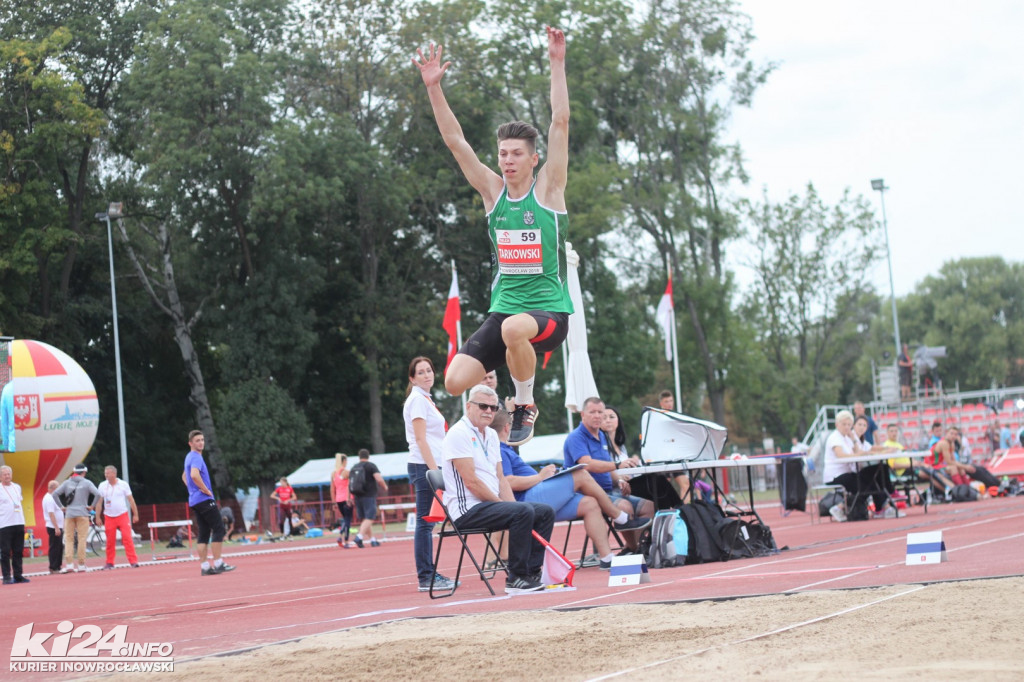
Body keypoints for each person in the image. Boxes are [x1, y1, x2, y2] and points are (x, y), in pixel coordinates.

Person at [414, 26, 574, 447]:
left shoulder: (549, 190)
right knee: (453, 381)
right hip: (505, 313)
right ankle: (512, 370)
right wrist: (434, 88)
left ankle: (525, 402)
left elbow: (560, 121)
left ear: (534, 158)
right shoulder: (492, 193)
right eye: (502, 153)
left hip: (548, 314)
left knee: (514, 332)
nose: (507, 160)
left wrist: (557, 64)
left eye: (516, 153)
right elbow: (455, 141)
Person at [494, 409, 649, 570]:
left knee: (590, 503)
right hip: (525, 499)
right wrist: (540, 477)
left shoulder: (506, 449)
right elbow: (508, 482)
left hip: (537, 494)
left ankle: (607, 558)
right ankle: (620, 517)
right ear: (507, 427)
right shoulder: (500, 449)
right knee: (580, 474)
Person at [441, 385, 555, 593]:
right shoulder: (458, 434)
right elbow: (471, 482)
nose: (488, 411)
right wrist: (504, 505)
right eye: (483, 406)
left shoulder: (492, 436)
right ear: (468, 406)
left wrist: (511, 506)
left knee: (544, 512)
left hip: (488, 504)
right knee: (522, 511)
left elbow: (501, 478)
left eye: (493, 408)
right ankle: (516, 578)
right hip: (466, 509)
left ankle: (531, 572)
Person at [563, 397, 654, 550]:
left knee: (649, 506)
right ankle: (634, 550)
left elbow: (607, 468)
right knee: (625, 506)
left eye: (601, 412)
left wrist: (619, 481)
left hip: (610, 491)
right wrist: (618, 464)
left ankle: (640, 548)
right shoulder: (575, 437)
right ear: (583, 415)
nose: (598, 416)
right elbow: (588, 464)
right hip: (586, 495)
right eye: (593, 412)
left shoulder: (603, 436)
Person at [403, 356, 456, 591]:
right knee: (425, 522)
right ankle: (426, 576)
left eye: (429, 370)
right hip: (424, 466)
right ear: (412, 378)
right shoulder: (417, 401)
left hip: (431, 464)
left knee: (429, 522)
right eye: (421, 372)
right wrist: (434, 470)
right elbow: (420, 439)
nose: (427, 375)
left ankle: (429, 573)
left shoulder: (425, 399)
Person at [182, 430, 235, 576]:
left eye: (202, 440)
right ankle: (218, 563)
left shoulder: (188, 457)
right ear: (190, 443)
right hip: (204, 499)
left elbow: (184, 476)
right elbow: (193, 475)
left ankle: (205, 567)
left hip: (195, 500)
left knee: (204, 533)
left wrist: (192, 491)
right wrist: (204, 490)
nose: (201, 443)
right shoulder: (196, 457)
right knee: (219, 529)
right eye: (197, 440)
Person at [54, 463, 100, 573]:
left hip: (69, 513)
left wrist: (61, 507)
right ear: (84, 472)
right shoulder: (87, 483)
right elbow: (98, 494)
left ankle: (69, 564)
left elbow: (55, 494)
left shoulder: (67, 483)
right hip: (83, 513)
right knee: (82, 539)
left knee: (69, 538)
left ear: (74, 472)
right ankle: (81, 565)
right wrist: (92, 506)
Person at [96, 465, 140, 569]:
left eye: (108, 473)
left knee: (127, 538)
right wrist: (97, 517)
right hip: (109, 516)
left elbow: (131, 500)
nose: (106, 475)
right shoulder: (102, 485)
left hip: (122, 515)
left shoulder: (123, 484)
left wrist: (135, 514)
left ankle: (133, 561)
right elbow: (99, 502)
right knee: (110, 541)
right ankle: (109, 562)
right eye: (105, 473)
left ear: (114, 474)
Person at [350, 448, 387, 548]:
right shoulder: (371, 466)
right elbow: (378, 478)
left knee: (365, 519)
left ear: (359, 456)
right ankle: (359, 536)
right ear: (368, 456)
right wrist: (385, 486)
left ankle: (372, 540)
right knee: (370, 517)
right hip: (369, 495)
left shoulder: (354, 467)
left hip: (357, 495)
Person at [0, 465, 28, 584]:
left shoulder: (17, 487)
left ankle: (18, 575)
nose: (7, 476)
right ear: (0, 476)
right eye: (5, 474)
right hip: (5, 524)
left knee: (18, 550)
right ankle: (6, 576)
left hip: (19, 522)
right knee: (5, 551)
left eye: (9, 474)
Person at [329, 453, 354, 548]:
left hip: (338, 499)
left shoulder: (333, 473)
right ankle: (345, 540)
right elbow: (350, 485)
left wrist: (333, 502)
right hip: (347, 498)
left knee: (345, 519)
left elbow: (332, 489)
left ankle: (341, 537)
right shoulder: (346, 472)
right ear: (344, 461)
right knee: (347, 520)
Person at [42, 479, 64, 574]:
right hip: (53, 526)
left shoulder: (54, 497)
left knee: (59, 546)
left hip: (57, 526)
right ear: (54, 488)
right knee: (55, 547)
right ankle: (53, 567)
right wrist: (56, 527)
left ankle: (58, 566)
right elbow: (51, 514)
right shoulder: (49, 499)